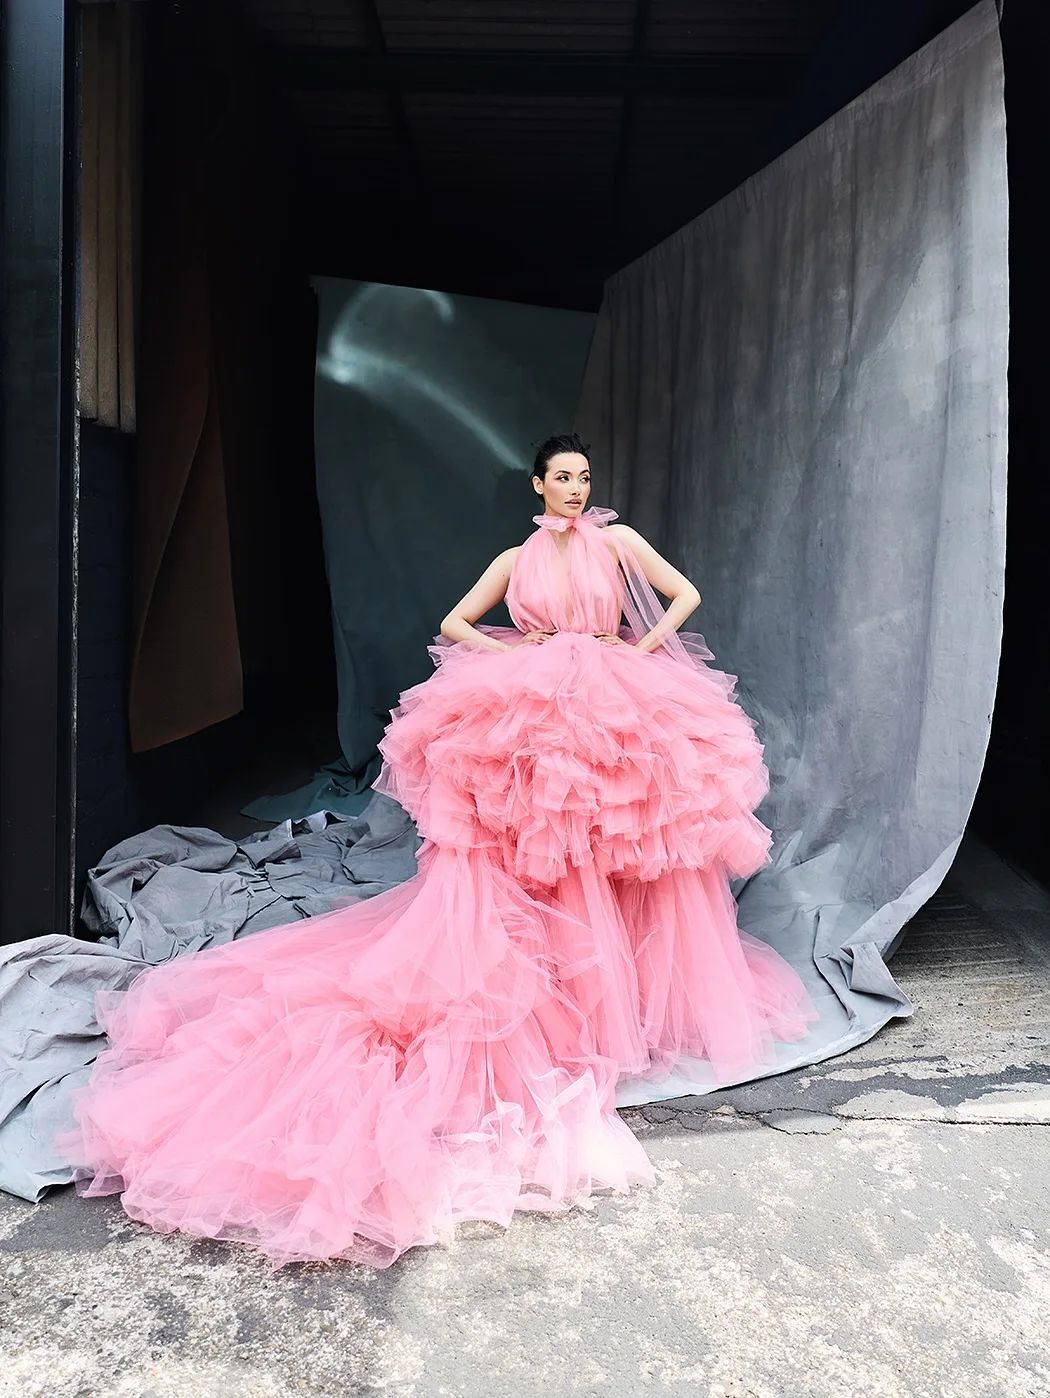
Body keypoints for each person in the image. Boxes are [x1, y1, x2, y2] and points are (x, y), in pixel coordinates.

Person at [61, 433, 816, 1269]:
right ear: (537, 484)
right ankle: (565, 983)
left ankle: (620, 994)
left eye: (584, 478)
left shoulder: (621, 543)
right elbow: (457, 622)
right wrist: (514, 650)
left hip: (613, 693)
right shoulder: (514, 556)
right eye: (561, 478)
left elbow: (685, 595)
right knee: (537, 848)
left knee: (626, 842)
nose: (574, 489)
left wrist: (634, 649)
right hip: (535, 702)